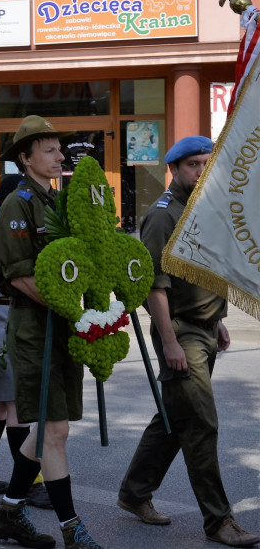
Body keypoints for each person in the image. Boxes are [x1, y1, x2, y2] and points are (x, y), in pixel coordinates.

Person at [117, 136, 259, 548]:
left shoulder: (200, 209)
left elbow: (204, 271)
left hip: (202, 328)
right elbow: (154, 287)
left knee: (173, 418)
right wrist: (170, 341)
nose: (201, 172)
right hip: (178, 332)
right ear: (174, 169)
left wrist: (216, 321)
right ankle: (219, 521)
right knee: (200, 424)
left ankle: (133, 492)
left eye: (206, 164)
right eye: (193, 164)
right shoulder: (163, 217)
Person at [0, 115, 96, 549]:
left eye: (59, 148)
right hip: (34, 327)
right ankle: (73, 528)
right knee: (54, 431)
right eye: (48, 150)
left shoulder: (56, 202)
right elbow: (17, 276)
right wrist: (73, 309)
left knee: (55, 428)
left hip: (61, 324)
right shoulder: (18, 204)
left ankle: (9, 511)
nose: (59, 156)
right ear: (24, 158)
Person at [0, 174, 52, 508]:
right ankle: (29, 482)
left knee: (1, 405)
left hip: (19, 320)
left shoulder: (24, 237)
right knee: (17, 403)